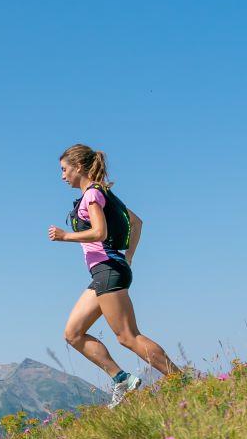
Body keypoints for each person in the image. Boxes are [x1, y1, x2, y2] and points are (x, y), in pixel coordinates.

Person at [46, 144, 178, 405]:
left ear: (78, 167)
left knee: (128, 336)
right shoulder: (103, 193)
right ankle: (122, 379)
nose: (62, 176)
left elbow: (99, 232)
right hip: (107, 270)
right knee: (73, 334)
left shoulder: (92, 195)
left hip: (107, 269)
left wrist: (65, 236)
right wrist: (127, 257)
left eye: (64, 170)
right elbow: (136, 222)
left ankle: (181, 380)